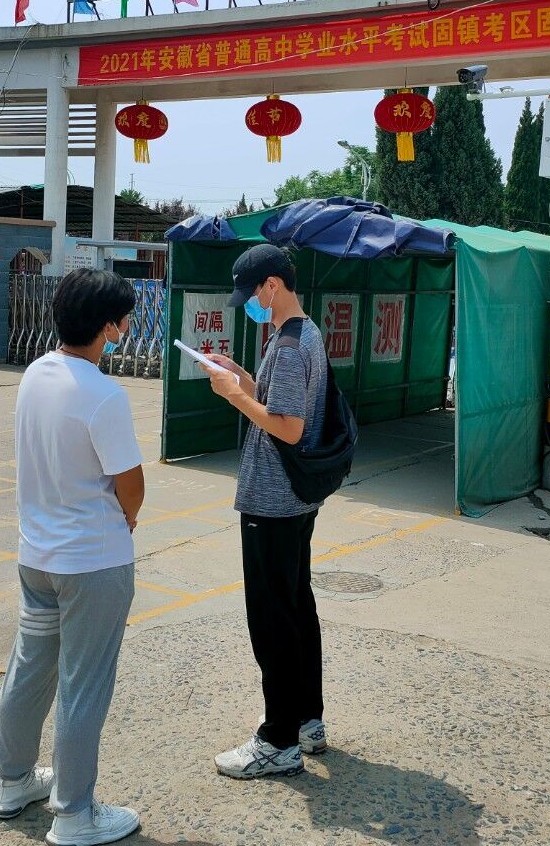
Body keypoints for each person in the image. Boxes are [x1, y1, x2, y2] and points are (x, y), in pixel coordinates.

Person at [0, 268, 146, 846]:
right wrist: (128, 517)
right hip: (92, 564)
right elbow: (130, 484)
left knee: (30, 668)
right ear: (107, 327)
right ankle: (75, 814)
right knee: (84, 685)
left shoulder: (35, 374)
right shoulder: (103, 394)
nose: (126, 328)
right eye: (123, 320)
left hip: (37, 557)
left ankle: (12, 783)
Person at [205, 244, 329, 779]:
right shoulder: (301, 334)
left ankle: (278, 740)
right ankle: (305, 719)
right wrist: (241, 376)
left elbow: (289, 428)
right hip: (294, 499)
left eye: (251, 294)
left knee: (272, 618)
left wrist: (234, 396)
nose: (250, 304)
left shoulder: (292, 345)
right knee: (296, 607)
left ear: (272, 286)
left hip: (272, 501)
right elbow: (279, 403)